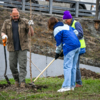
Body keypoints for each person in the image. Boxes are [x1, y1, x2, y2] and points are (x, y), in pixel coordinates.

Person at [1, 8, 34, 88]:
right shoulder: (6, 22)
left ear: (19, 14)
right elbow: (2, 31)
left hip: (23, 47)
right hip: (11, 47)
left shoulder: (25, 21)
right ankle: (17, 80)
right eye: (14, 16)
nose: (16, 17)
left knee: (22, 65)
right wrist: (3, 35)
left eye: (17, 16)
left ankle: (22, 82)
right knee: (12, 65)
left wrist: (30, 26)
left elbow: (31, 34)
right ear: (11, 15)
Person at [48, 17, 80, 92]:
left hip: (70, 47)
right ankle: (72, 86)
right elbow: (76, 33)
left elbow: (59, 44)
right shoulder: (66, 25)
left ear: (50, 24)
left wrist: (57, 53)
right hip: (77, 45)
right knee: (73, 67)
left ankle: (66, 87)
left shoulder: (56, 29)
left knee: (67, 66)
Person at [63, 10, 86, 87]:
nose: (66, 22)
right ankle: (72, 82)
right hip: (74, 47)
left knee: (75, 65)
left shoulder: (76, 23)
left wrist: (72, 39)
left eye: (66, 20)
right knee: (73, 65)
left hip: (80, 47)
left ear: (70, 18)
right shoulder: (68, 25)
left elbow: (81, 34)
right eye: (65, 21)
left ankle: (78, 83)